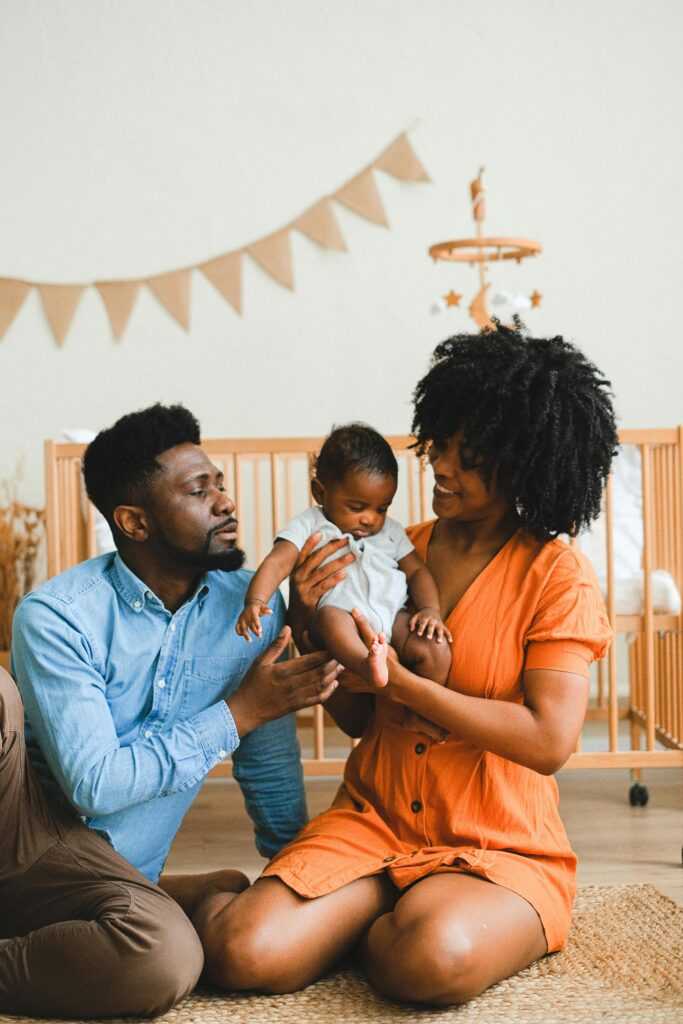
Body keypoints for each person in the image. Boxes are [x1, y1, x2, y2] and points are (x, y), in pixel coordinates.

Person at [188, 325, 617, 1006]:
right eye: (438, 445)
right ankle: (347, 911)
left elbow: (548, 740)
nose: (440, 467)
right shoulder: (386, 549)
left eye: (468, 457)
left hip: (498, 844)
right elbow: (360, 719)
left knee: (429, 960)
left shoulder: (556, 574)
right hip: (374, 819)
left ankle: (377, 922)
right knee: (241, 952)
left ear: (524, 464)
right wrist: (310, 621)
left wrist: (409, 686)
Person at [0, 403, 344, 1018]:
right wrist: (236, 713)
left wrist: (295, 881)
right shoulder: (57, 615)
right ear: (134, 522)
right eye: (198, 491)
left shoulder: (253, 610)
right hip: (23, 833)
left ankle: (117, 908)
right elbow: (95, 785)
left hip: (107, 871)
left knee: (181, 940)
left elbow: (267, 764)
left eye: (220, 485)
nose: (226, 503)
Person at [237, 423, 452, 689]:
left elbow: (417, 571)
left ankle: (423, 705)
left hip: (392, 617)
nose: (370, 518)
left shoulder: (391, 531)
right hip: (342, 618)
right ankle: (366, 665)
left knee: (435, 647)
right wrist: (256, 600)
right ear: (320, 492)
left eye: (382, 509)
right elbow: (278, 561)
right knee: (330, 619)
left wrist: (431, 610)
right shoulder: (310, 524)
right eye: (357, 507)